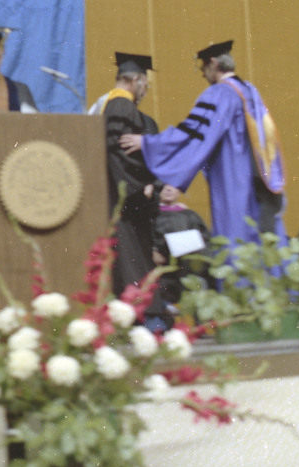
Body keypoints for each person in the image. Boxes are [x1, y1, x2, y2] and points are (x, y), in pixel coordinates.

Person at [119, 40, 286, 248]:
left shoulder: (221, 93)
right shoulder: (250, 91)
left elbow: (195, 131)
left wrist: (148, 143)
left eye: (203, 69)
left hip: (235, 179)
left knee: (237, 236)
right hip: (260, 179)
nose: (203, 75)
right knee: (262, 239)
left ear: (213, 63)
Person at [92, 52, 159, 296]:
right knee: (131, 261)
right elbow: (118, 154)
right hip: (124, 199)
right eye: (145, 84)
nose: (145, 90)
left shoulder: (112, 103)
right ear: (136, 80)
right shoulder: (121, 104)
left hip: (121, 196)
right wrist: (141, 186)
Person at [145, 183, 212, 331]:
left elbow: (205, 240)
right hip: (161, 271)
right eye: (163, 186)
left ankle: (201, 327)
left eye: (173, 186)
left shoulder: (189, 215)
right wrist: (155, 250)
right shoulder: (150, 214)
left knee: (199, 283)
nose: (168, 189)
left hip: (188, 270)